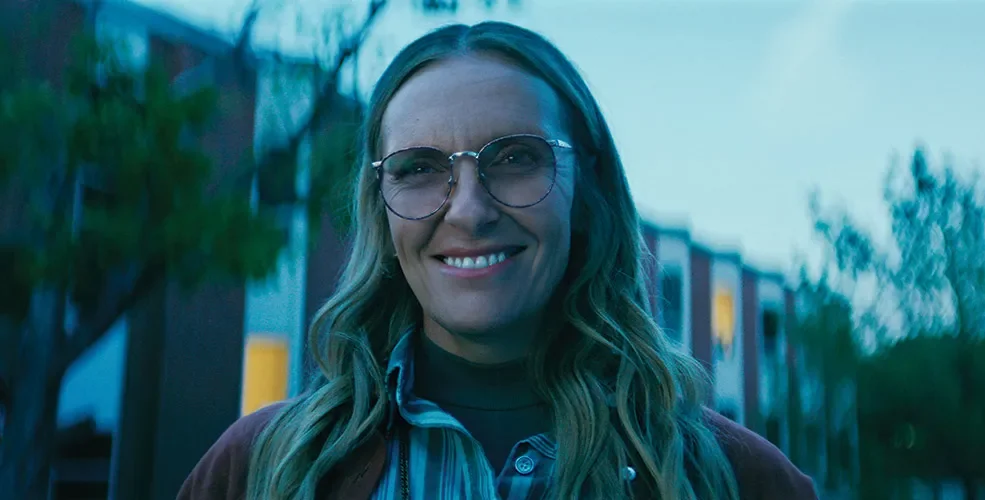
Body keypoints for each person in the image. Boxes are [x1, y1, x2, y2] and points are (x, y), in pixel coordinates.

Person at [179, 22, 817, 500]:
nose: (468, 212)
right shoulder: (261, 467)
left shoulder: (733, 478)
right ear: (380, 206)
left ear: (587, 191)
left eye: (515, 158)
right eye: (419, 168)